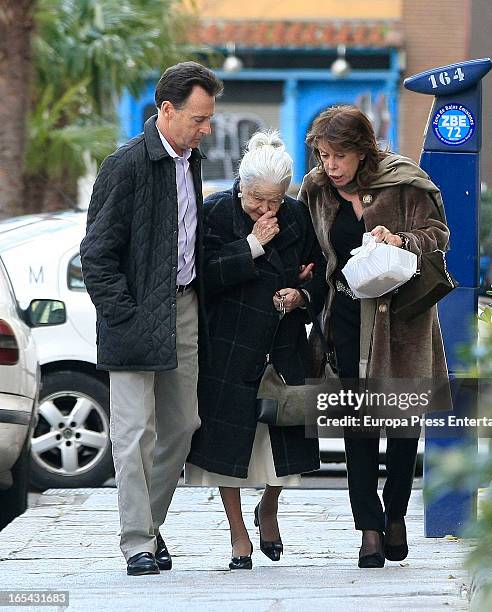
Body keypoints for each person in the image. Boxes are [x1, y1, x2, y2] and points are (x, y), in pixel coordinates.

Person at [80, 62, 223, 576]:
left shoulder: (192, 161)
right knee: (134, 431)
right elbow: (96, 253)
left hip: (183, 308)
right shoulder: (126, 164)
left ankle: (150, 524)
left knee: (183, 426)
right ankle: (137, 540)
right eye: (198, 119)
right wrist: (123, 314)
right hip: (134, 314)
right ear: (166, 110)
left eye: (209, 120)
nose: (205, 129)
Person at [298, 105, 450, 568]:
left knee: (403, 424)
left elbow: (438, 235)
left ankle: (397, 514)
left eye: (339, 156)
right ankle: (368, 527)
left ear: (363, 152)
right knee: (357, 425)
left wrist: (401, 239)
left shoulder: (404, 181)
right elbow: (307, 245)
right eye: (324, 155)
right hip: (344, 314)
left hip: (400, 318)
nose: (331, 165)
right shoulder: (317, 190)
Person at [186, 130, 321, 570]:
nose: (266, 209)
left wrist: (300, 297)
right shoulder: (216, 212)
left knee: (283, 442)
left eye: (275, 201)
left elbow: (317, 276)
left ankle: (269, 508)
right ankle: (237, 533)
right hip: (229, 343)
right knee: (226, 445)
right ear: (240, 186)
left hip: (281, 345)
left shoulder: (298, 216)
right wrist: (251, 245)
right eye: (257, 199)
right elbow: (203, 275)